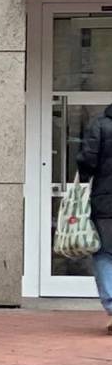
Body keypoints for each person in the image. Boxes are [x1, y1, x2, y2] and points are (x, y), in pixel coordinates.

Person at [74, 106, 112, 331]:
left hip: (106, 203)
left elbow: (87, 160)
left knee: (105, 253)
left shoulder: (101, 125)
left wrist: (86, 177)